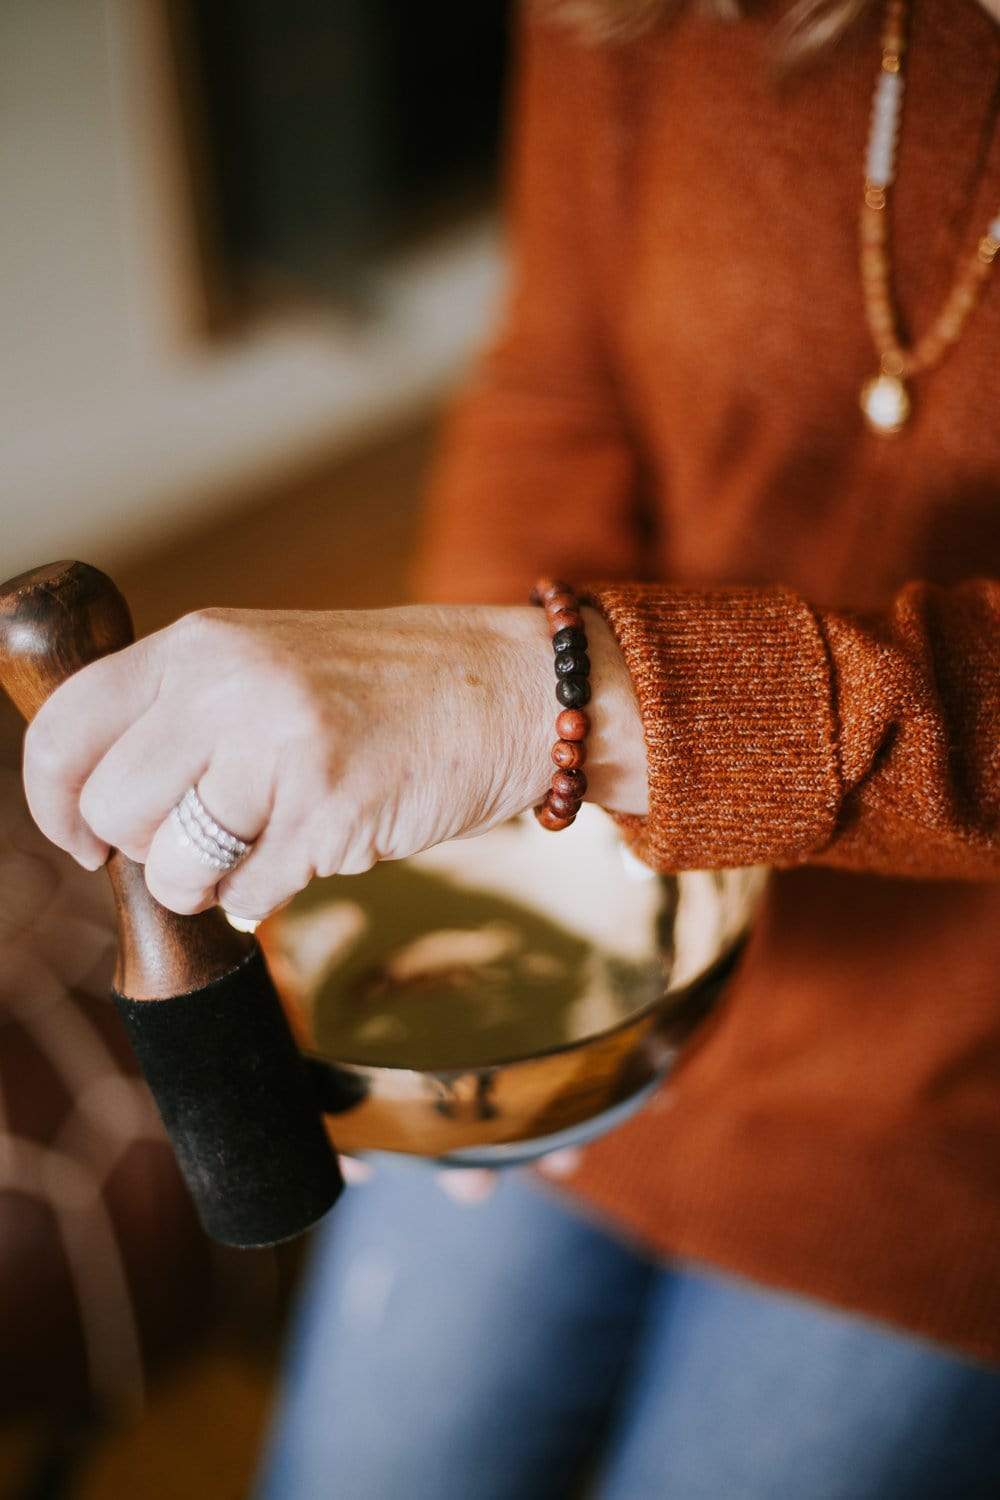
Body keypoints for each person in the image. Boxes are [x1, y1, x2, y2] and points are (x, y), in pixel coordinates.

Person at [20, 0, 1000, 1494]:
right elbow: (558, 382)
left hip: (959, 1112)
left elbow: (535, 700)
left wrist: (543, 700)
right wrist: (475, 904)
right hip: (616, 958)